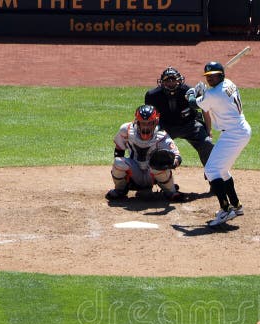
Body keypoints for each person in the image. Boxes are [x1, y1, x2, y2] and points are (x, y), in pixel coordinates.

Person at [185, 61, 252, 227]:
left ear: (221, 75)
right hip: (239, 130)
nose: (210, 79)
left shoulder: (214, 94)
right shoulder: (228, 84)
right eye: (208, 77)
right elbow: (209, 97)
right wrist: (204, 93)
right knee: (221, 170)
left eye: (214, 76)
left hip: (233, 134)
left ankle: (225, 209)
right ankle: (236, 206)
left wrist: (192, 94)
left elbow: (194, 104)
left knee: (211, 170)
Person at [105, 104, 182, 202]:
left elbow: (177, 156)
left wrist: (172, 163)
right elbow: (119, 150)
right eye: (143, 123)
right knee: (118, 162)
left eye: (150, 123)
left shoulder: (162, 136)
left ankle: (171, 192)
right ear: (137, 122)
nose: (146, 126)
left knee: (160, 164)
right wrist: (125, 175)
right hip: (134, 171)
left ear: (156, 122)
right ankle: (120, 190)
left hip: (152, 174)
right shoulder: (126, 130)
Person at [144, 66, 214, 167]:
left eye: (174, 80)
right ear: (162, 82)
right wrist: (149, 134)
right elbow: (149, 116)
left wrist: (209, 130)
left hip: (190, 125)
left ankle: (212, 173)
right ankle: (151, 172)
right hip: (164, 127)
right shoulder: (152, 95)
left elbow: (205, 109)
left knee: (207, 143)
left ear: (179, 80)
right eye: (167, 80)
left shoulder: (190, 92)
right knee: (148, 144)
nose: (171, 83)